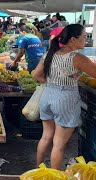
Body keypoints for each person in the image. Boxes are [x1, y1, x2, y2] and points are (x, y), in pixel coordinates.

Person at [32, 24, 96, 170]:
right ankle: (55, 175)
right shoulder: (77, 57)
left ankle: (38, 170)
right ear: (73, 39)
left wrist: (51, 82)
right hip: (65, 99)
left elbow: (35, 74)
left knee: (46, 136)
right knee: (59, 144)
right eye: (84, 37)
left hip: (47, 95)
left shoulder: (50, 53)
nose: (86, 40)